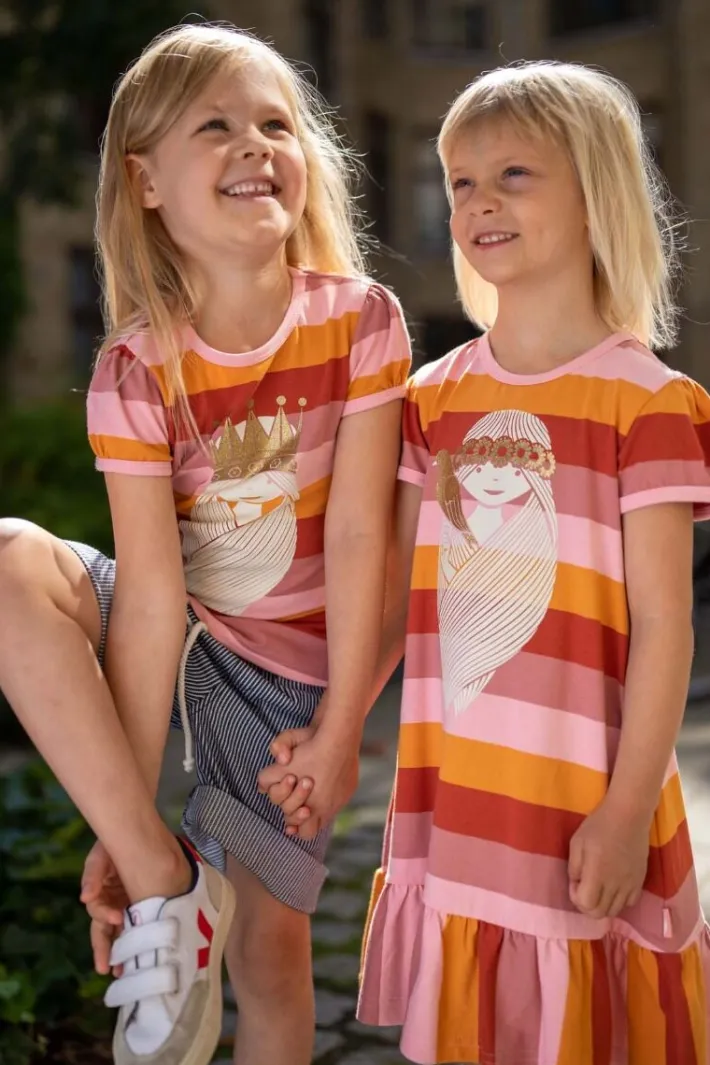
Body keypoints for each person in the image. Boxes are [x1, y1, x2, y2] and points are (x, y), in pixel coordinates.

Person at [0, 22, 410, 1065]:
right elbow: (147, 594)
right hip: (180, 624)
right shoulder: (136, 368)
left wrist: (341, 730)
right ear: (145, 181)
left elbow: (366, 536)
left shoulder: (360, 322)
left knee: (269, 957)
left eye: (274, 124)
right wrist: (128, 824)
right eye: (215, 126)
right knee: (5, 561)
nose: (252, 144)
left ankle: (175, 893)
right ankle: (162, 884)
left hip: (291, 681)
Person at [354, 61, 710, 1065]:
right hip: (459, 796)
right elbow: (398, 598)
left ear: (595, 194)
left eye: (513, 174)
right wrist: (337, 735)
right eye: (460, 181)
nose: (478, 202)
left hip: (584, 798)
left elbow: (665, 630)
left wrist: (626, 810)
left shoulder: (645, 404)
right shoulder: (430, 400)